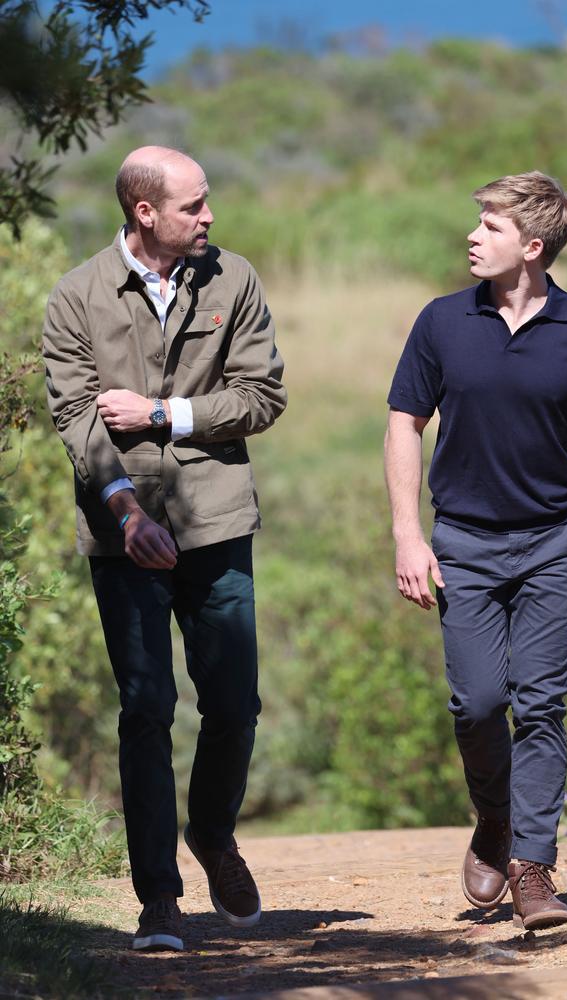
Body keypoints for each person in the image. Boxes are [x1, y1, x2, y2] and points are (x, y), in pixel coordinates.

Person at [43, 146, 287, 952]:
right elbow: (78, 421)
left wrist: (160, 413)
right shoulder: (75, 298)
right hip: (123, 535)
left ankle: (212, 834)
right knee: (146, 708)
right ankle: (159, 903)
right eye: (194, 205)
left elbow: (261, 396)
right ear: (145, 212)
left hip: (217, 520)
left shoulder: (234, 278)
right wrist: (124, 513)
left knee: (234, 705)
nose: (209, 216)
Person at [384, 171, 567, 931]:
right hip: (462, 542)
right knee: (477, 703)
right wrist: (407, 534)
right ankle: (493, 819)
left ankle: (532, 869)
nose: (472, 236)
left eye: (490, 227)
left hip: (554, 544)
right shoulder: (440, 322)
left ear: (532, 247)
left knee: (540, 704)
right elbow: (405, 422)